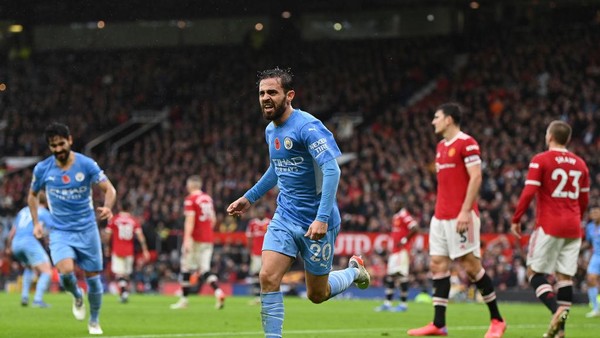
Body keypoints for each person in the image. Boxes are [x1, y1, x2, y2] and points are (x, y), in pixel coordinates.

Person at [227, 67, 370, 338]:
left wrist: (322, 218)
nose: (265, 98)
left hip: (317, 221)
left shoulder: (308, 127)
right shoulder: (271, 130)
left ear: (289, 95)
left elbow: (332, 170)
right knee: (267, 277)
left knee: (318, 294)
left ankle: (353, 271)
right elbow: (276, 168)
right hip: (285, 216)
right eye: (261, 93)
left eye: (272, 92)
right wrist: (249, 197)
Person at [408, 103, 506, 337]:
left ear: (449, 119)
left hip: (461, 216)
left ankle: (497, 320)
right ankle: (439, 324)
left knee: (471, 266)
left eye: (436, 117)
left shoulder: (467, 143)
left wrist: (465, 211)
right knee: (437, 265)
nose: (433, 121)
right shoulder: (441, 147)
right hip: (440, 217)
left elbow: (476, 177)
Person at [28, 122, 116, 335]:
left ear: (70, 140)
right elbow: (32, 195)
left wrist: (108, 207)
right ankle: (77, 295)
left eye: (61, 144)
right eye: (53, 146)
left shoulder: (86, 164)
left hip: (87, 230)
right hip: (60, 231)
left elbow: (109, 189)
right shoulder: (42, 169)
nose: (58, 149)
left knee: (94, 280)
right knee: (65, 271)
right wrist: (36, 223)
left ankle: (94, 321)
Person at [511, 120, 590, 338]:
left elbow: (528, 192)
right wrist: (576, 219)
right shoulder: (581, 164)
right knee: (564, 278)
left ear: (550, 136)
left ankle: (556, 313)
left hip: (549, 224)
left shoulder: (541, 160)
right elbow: (584, 199)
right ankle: (560, 330)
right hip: (573, 226)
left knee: (534, 273)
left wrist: (516, 218)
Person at [170, 175, 225, 310]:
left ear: (190, 186)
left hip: (195, 239)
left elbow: (190, 221)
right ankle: (218, 292)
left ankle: (184, 300)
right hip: (208, 238)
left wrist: (187, 240)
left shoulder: (190, 200)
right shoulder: (207, 199)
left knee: (186, 268)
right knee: (204, 269)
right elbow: (213, 219)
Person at [6, 193, 55, 308]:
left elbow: (13, 231)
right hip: (29, 242)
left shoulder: (23, 211)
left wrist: (9, 246)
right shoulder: (43, 212)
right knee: (47, 271)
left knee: (29, 267)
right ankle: (37, 300)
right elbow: (53, 229)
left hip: (16, 243)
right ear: (46, 202)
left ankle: (24, 296)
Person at [103, 199, 150, 303]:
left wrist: (107, 247)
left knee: (119, 274)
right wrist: (145, 249)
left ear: (120, 207)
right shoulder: (134, 221)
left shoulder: (114, 220)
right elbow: (140, 236)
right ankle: (124, 293)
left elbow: (107, 235)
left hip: (117, 249)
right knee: (126, 274)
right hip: (129, 250)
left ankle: (124, 293)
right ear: (130, 208)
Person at [375, 200, 418, 312]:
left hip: (401, 251)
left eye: (395, 204)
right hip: (395, 251)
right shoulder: (396, 216)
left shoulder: (404, 214)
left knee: (401, 276)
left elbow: (415, 227)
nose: (393, 205)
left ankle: (403, 305)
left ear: (400, 204)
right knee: (390, 276)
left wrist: (405, 240)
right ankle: (387, 303)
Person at [245, 205, 271, 305]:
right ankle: (257, 297)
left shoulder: (269, 222)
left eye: (262, 212)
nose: (260, 214)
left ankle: (267, 296)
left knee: (266, 274)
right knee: (256, 274)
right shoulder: (252, 224)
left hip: (267, 253)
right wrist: (249, 251)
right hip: (255, 253)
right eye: (258, 212)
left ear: (264, 213)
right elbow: (249, 238)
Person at [584, 207, 600, 318]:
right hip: (596, 256)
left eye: (596, 212)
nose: (594, 214)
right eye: (592, 212)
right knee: (590, 279)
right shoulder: (589, 227)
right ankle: (596, 308)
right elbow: (588, 242)